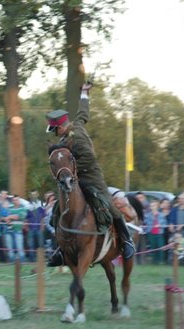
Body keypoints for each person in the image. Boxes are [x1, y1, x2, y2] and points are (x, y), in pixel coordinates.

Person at [45, 82, 135, 266]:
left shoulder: (75, 138)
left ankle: (127, 241)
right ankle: (61, 249)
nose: (55, 134)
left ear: (60, 128)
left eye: (54, 131)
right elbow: (83, 113)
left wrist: (70, 167)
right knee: (57, 210)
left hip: (90, 177)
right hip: (73, 178)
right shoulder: (75, 125)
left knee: (109, 206)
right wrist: (84, 93)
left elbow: (89, 158)